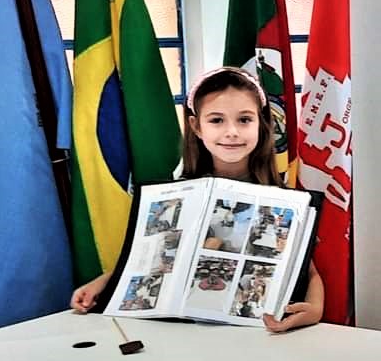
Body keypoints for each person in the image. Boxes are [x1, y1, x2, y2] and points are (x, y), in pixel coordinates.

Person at [70, 66, 325, 333]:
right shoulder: (179, 197)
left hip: (254, 332)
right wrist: (101, 283)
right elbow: (151, 259)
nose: (232, 132)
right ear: (196, 126)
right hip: (184, 332)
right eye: (216, 120)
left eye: (244, 120)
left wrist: (315, 309)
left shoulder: (283, 200)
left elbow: (309, 271)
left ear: (261, 123)